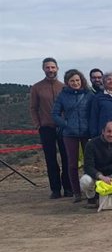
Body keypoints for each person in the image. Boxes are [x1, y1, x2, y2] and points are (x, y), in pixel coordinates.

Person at [30, 57, 71, 198]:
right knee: (51, 159)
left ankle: (68, 188)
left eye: (53, 67)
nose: (50, 70)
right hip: (46, 128)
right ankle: (55, 189)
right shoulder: (36, 87)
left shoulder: (64, 87)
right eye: (47, 67)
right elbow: (33, 108)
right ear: (43, 69)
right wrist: (38, 125)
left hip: (63, 128)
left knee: (67, 158)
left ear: (57, 68)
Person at [51, 69, 94, 203]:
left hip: (87, 133)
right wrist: (65, 124)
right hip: (70, 134)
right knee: (72, 164)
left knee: (89, 162)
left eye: (77, 80)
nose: (75, 83)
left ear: (81, 80)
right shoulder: (63, 95)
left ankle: (90, 190)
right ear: (67, 82)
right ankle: (76, 192)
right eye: (72, 81)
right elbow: (55, 114)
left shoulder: (89, 94)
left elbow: (94, 112)